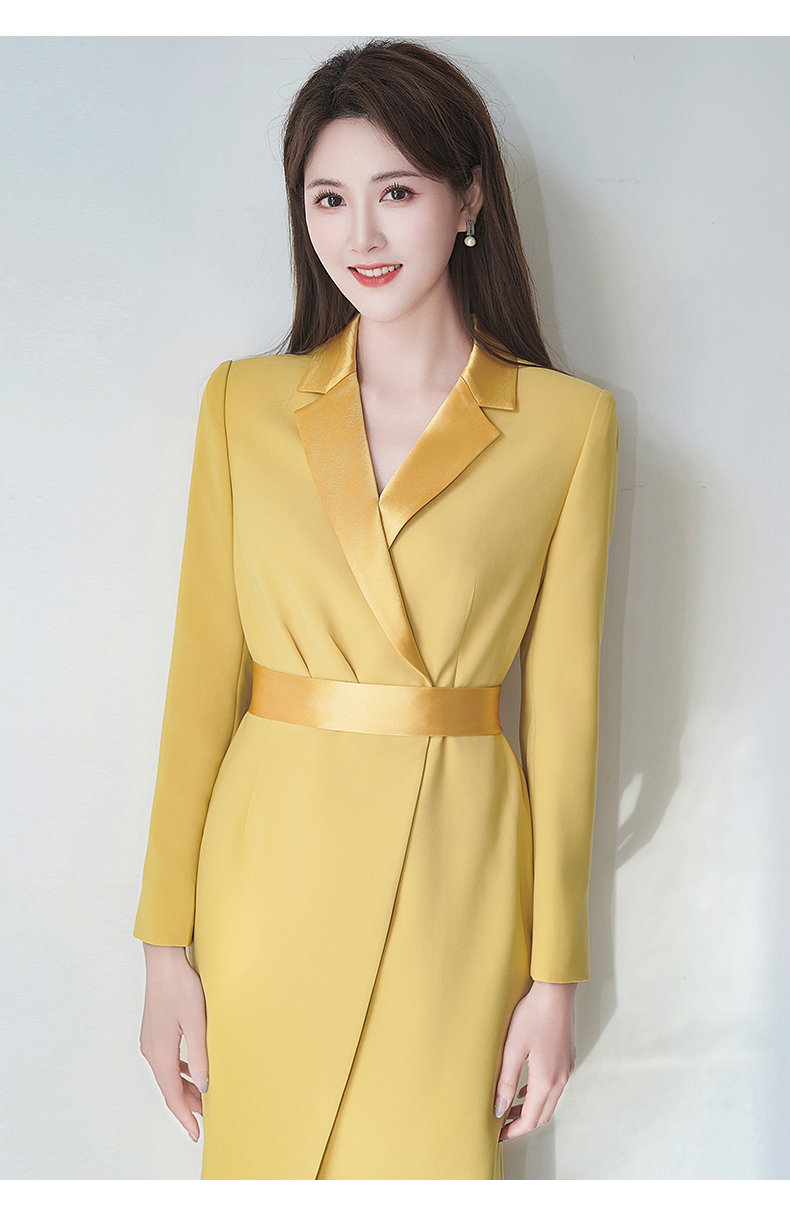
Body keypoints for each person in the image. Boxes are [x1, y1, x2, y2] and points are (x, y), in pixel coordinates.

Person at [133, 38, 619, 1181]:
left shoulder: (565, 426)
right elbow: (198, 684)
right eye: (328, 198)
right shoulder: (242, 404)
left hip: (455, 876)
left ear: (468, 199)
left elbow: (562, 721)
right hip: (264, 876)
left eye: (396, 192)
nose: (360, 234)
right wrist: (163, 948)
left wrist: (554, 977)